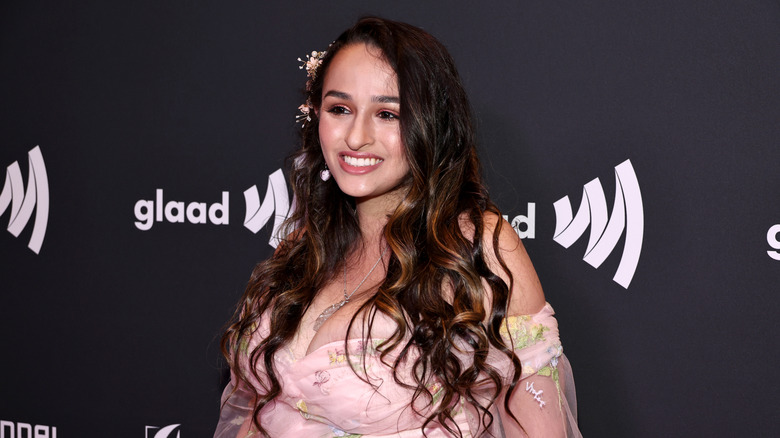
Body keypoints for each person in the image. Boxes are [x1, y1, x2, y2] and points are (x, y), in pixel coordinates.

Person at [215, 17, 580, 438]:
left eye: (387, 114)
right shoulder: (300, 249)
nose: (356, 136)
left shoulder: (477, 249)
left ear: (430, 125)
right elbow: (255, 412)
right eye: (340, 109)